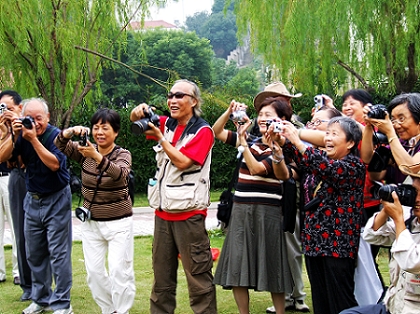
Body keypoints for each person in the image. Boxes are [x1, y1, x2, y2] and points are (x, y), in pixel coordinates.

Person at [130, 79, 217, 314]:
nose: (173, 100)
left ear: (194, 101)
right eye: (170, 95)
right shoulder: (167, 123)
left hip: (189, 216)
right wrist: (137, 111)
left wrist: (161, 139)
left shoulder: (203, 131)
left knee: (198, 279)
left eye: (180, 96)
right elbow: (135, 122)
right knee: (161, 280)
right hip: (162, 214)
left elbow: (183, 162)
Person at [213, 96, 295, 314]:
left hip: (268, 211)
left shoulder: (283, 149)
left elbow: (258, 168)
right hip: (240, 208)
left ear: (283, 120)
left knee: (273, 265)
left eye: (269, 115)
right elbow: (216, 131)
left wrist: (242, 143)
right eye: (260, 114)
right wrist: (230, 112)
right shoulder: (251, 139)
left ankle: (280, 312)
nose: (262, 119)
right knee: (238, 264)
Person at [279, 116, 365, 314]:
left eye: (335, 134)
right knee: (321, 301)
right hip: (314, 243)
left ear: (351, 142)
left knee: (341, 301)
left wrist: (298, 141)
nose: (328, 138)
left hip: (337, 246)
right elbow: (304, 159)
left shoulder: (354, 167)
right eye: (327, 133)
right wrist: (283, 140)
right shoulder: (320, 160)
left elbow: (327, 169)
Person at [55, 108, 135, 313]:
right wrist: (70, 131)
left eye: (105, 128)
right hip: (91, 223)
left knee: (119, 271)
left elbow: (122, 175)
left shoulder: (122, 154)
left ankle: (122, 310)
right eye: (96, 127)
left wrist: (97, 156)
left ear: (115, 132)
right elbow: (59, 144)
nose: (99, 132)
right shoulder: (85, 152)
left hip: (119, 222)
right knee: (94, 273)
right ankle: (109, 309)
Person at [0, 98, 73, 314]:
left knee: (59, 253)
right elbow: (3, 157)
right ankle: (41, 299)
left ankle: (62, 303)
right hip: (32, 199)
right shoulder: (21, 132)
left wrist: (32, 139)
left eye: (38, 118)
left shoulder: (56, 136)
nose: (35, 122)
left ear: (48, 117)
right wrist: (12, 134)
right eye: (29, 118)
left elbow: (54, 164)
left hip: (57, 197)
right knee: (34, 253)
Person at [254, 82, 310, 314]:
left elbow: (302, 164)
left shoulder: (296, 128)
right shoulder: (258, 132)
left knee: (292, 247)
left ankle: (298, 295)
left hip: (290, 196)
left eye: (277, 98)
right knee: (277, 250)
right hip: (269, 196)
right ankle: (286, 295)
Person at [340, 162, 420, 314]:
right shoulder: (411, 223)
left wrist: (398, 219)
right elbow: (372, 235)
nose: (417, 199)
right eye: (414, 192)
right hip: (393, 306)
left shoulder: (403, 223)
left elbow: (412, 262)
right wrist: (387, 207)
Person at [0, 90, 31, 301]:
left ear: (20, 108)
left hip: (12, 177)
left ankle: (19, 272)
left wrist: (15, 127)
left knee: (18, 227)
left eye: (8, 108)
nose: (5, 112)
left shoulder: (26, 125)